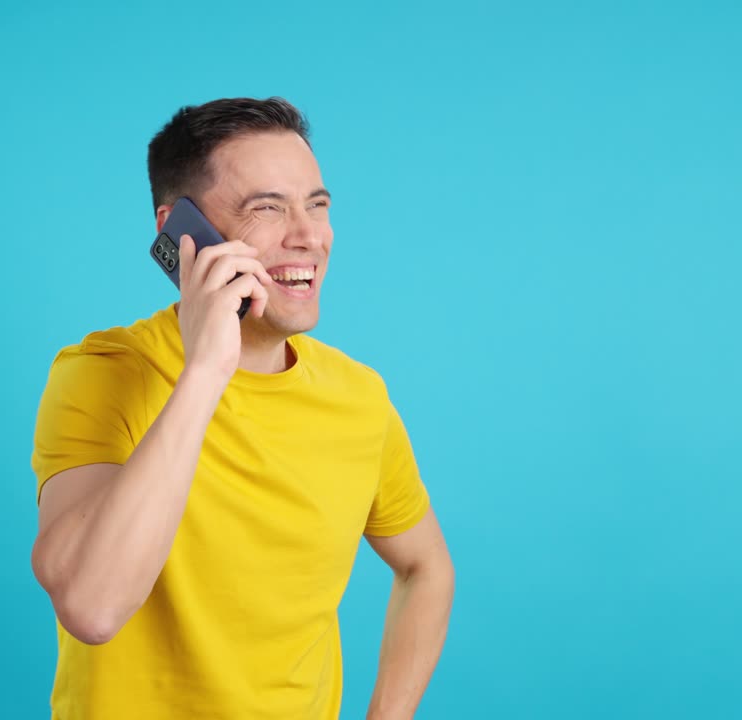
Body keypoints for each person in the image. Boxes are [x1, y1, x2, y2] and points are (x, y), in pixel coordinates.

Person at [29, 97, 454, 720]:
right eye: (267, 209)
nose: (308, 236)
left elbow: (427, 569)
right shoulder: (103, 375)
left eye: (318, 205)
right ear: (181, 232)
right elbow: (93, 609)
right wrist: (205, 369)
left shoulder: (359, 397)